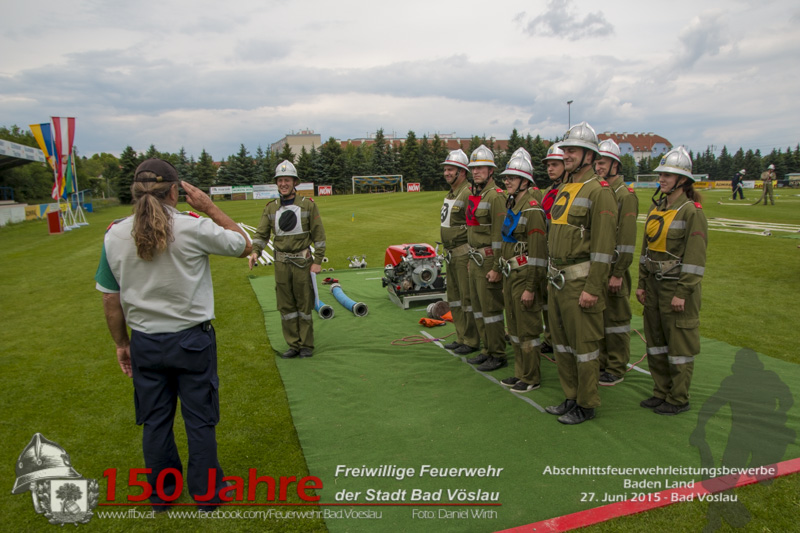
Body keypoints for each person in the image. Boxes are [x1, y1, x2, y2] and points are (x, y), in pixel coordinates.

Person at [95, 158, 252, 511]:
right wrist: (208, 206)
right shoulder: (193, 226)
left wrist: (122, 344)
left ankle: (163, 494)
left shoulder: (114, 234)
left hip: (146, 341)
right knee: (200, 420)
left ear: (135, 192)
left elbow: (109, 298)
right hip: (191, 340)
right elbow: (245, 245)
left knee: (155, 422)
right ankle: (207, 494)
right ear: (173, 191)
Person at [543, 122, 617, 425]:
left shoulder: (600, 192)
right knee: (561, 345)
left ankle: (586, 404)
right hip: (557, 280)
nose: (566, 155)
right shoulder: (565, 187)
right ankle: (571, 396)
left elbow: (604, 247)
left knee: (584, 347)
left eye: (572, 150)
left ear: (589, 155)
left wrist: (593, 288)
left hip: (579, 283)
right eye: (566, 149)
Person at [636, 146, 707, 415]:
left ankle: (678, 398)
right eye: (661, 175)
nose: (661, 179)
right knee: (655, 343)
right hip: (654, 286)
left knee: (679, 346)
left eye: (667, 175)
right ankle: (661, 391)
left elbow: (695, 258)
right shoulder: (657, 209)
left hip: (675, 287)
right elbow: (646, 251)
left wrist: (683, 292)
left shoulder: (692, 212)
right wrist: (642, 283)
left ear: (682, 180)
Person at [249, 160, 327, 358]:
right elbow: (261, 234)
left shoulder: (308, 205)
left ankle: (306, 345)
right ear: (277, 183)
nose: (283, 184)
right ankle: (293, 344)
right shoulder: (271, 208)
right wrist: (255, 251)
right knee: (286, 306)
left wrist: (318, 261)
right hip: (281, 264)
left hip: (303, 263)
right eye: (280, 180)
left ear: (295, 182)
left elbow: (319, 235)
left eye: (287, 180)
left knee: (304, 304)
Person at [497, 156, 548, 392]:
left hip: (524, 275)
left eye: (513, 178)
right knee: (515, 328)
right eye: (506, 178)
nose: (507, 181)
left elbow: (538, 254)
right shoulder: (513, 204)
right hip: (511, 275)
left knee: (527, 329)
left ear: (525, 182)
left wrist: (531, 287)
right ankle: (521, 373)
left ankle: (531, 377)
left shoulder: (533, 210)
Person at [594, 139, 638, 386]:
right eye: (596, 163)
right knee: (599, 317)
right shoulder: (600, 191)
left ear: (615, 165)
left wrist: (618, 272)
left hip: (614, 266)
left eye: (602, 163)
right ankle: (602, 362)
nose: (598, 167)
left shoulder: (625, 195)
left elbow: (627, 239)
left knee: (617, 320)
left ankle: (616, 366)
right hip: (599, 266)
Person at [464, 144, 508, 372]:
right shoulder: (478, 195)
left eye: (481, 168)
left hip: (489, 260)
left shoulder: (496, 197)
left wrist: (498, 267)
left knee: (491, 311)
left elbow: (500, 236)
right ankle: (487, 349)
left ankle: (498, 353)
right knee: (479, 308)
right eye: (473, 168)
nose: (476, 172)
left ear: (491, 171)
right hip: (476, 259)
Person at [440, 149, 480, 355]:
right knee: (455, 298)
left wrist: (471, 255)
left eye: (451, 169)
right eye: (445, 169)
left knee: (467, 299)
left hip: (463, 254)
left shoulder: (468, 193)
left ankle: (471, 340)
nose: (446, 173)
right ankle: (461, 336)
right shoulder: (452, 193)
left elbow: (474, 226)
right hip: (451, 254)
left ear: (462, 172)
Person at [539, 143, 567, 356]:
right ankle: (550, 338)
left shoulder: (570, 190)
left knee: (563, 303)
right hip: (547, 251)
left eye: (555, 164)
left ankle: (562, 341)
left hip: (563, 254)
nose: (550, 169)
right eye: (548, 165)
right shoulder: (548, 191)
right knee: (547, 299)